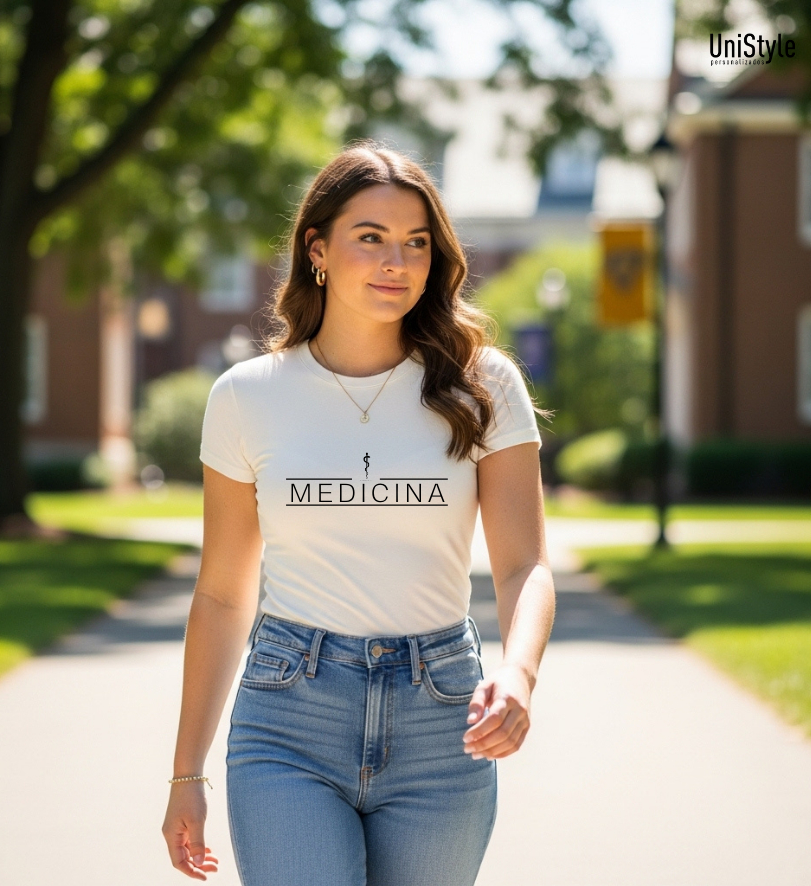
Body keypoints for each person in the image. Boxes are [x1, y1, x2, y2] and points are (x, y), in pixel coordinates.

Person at [161, 140, 556, 885]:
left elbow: (523, 563)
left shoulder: (483, 384)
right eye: (370, 238)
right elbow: (220, 593)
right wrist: (187, 775)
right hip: (289, 717)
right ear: (317, 248)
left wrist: (520, 674)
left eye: (415, 244)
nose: (396, 263)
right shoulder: (248, 396)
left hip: (442, 717)